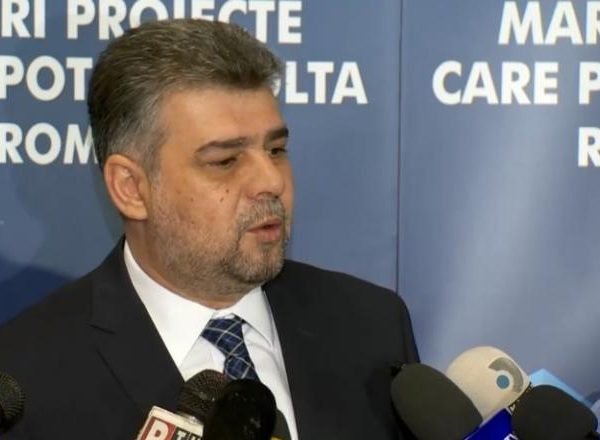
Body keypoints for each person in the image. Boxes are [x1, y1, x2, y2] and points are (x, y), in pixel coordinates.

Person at [0, 19, 418, 439]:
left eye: (276, 150)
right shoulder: (27, 382)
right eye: (225, 161)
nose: (271, 181)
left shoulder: (372, 327)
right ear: (131, 188)